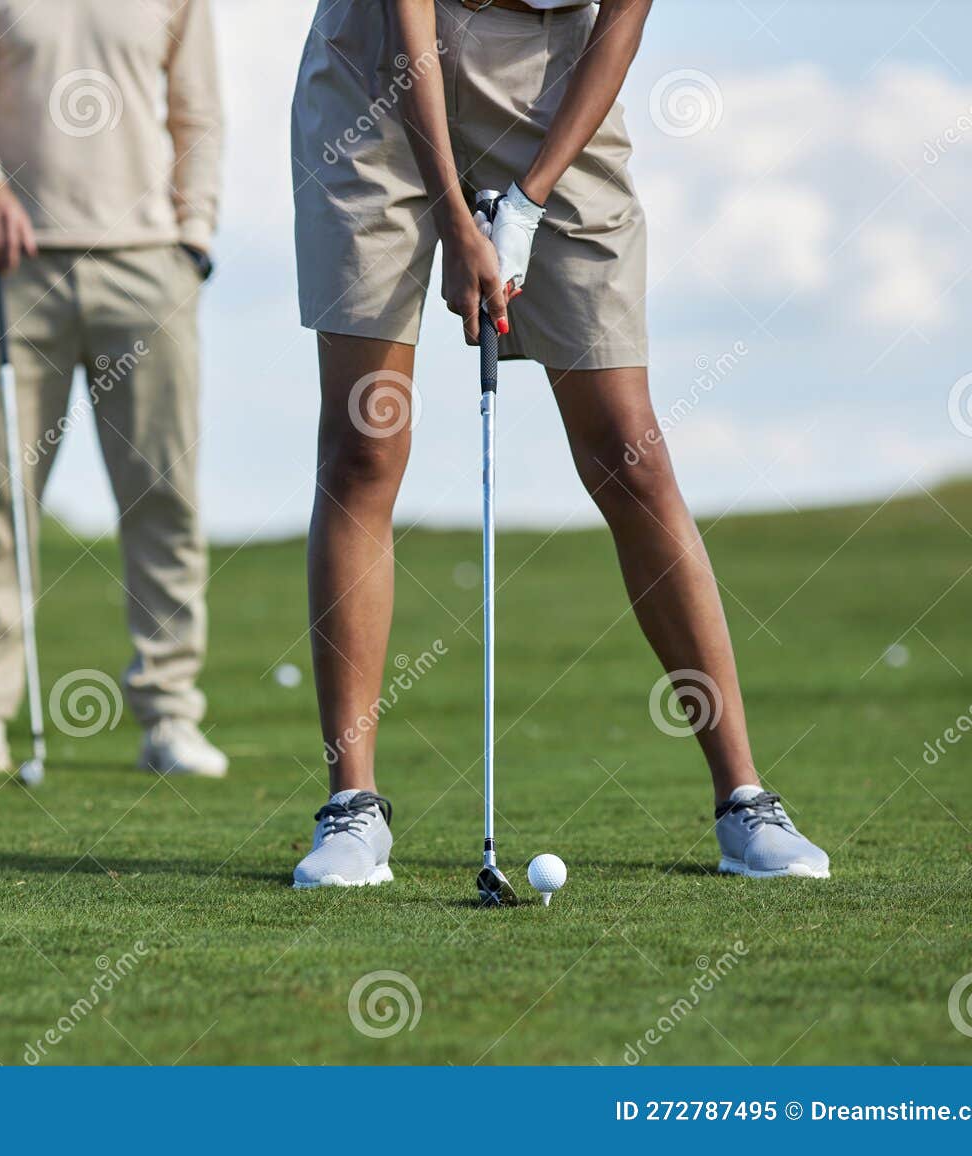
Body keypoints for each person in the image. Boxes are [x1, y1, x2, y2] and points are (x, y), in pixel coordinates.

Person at [287, 0, 829, 886]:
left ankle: (745, 801)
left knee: (629, 451)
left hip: (554, 80)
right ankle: (353, 808)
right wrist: (458, 220)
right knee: (364, 441)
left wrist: (529, 200)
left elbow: (622, 21)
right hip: (380, 77)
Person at [0, 0, 228, 778]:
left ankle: (170, 715)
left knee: (164, 491)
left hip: (149, 263)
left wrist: (194, 237)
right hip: (9, 264)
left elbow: (200, 114)